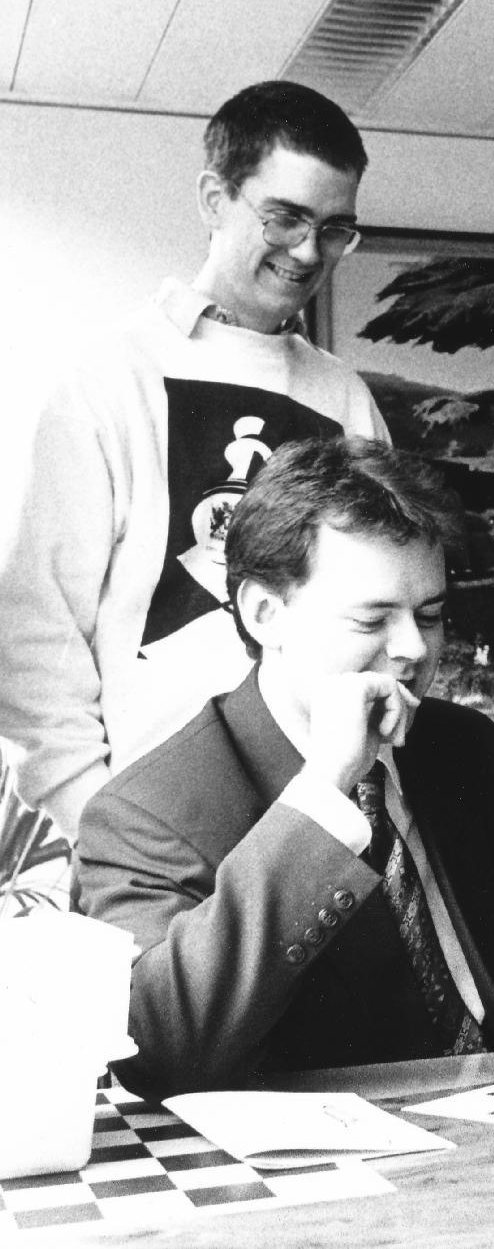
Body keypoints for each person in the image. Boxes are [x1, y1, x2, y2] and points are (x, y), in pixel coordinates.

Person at [72, 436, 494, 1097]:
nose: (414, 648)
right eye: (373, 619)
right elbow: (159, 1052)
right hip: (328, 1181)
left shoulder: (465, 747)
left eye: (432, 614)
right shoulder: (144, 811)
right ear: (265, 613)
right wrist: (321, 791)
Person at [0, 81, 386, 838]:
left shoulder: (346, 401)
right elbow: (35, 630)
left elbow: (376, 612)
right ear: (215, 198)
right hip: (147, 828)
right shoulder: (112, 375)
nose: (309, 251)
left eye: (335, 228)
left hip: (317, 827)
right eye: (285, 217)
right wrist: (100, 820)